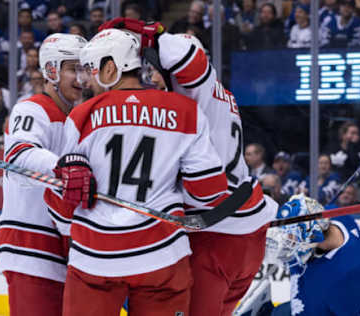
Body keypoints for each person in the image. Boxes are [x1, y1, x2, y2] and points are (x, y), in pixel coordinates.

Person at [45, 28, 234, 316]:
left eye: (94, 68)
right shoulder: (186, 111)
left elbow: (60, 208)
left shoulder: (81, 115)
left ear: (111, 66)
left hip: (94, 258)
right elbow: (208, 192)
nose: (89, 78)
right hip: (162, 255)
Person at [97, 19, 278, 316]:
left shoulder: (197, 88)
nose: (152, 79)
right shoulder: (221, 96)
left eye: (156, 70)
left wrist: (148, 37)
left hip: (214, 235)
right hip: (247, 231)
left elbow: (185, 56)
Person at [0, 33, 88, 316]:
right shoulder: (32, 108)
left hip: (66, 248)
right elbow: (19, 156)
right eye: (74, 69)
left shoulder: (79, 118)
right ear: (51, 70)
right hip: (30, 245)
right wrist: (65, 167)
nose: (81, 78)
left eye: (85, 69)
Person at [266, 195, 360, 316]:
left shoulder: (340, 280)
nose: (288, 246)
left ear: (312, 236)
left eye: (292, 239)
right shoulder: (339, 216)